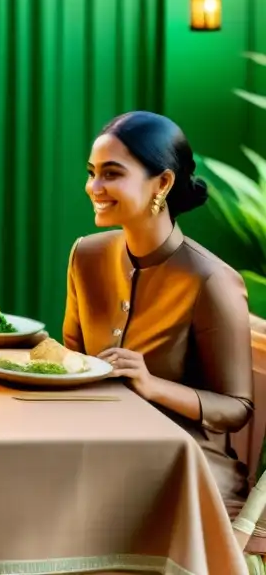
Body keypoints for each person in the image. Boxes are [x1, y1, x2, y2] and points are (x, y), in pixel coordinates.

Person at [63, 110, 254, 520]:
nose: (93, 186)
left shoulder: (211, 280)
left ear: (163, 182)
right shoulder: (86, 255)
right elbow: (71, 361)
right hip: (100, 442)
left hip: (188, 463)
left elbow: (237, 408)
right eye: (92, 172)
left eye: (112, 174)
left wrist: (151, 385)